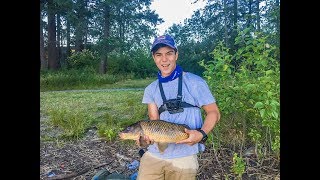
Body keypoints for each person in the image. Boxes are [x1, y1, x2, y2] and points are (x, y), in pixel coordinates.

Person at [136, 34, 221, 180]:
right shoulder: (151, 89)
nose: (164, 59)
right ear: (153, 58)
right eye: (159, 55)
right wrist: (144, 141)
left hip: (184, 155)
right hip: (155, 153)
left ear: (176, 54)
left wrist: (201, 134)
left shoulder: (195, 82)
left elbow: (214, 113)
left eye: (169, 53)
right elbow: (153, 121)